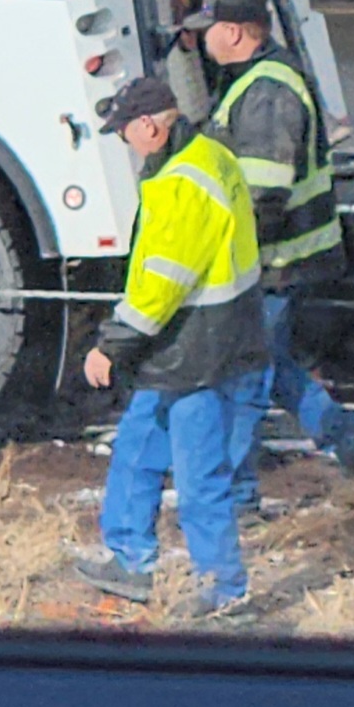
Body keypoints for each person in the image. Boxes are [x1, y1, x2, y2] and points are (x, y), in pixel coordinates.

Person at [187, 0, 354, 494]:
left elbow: (263, 194)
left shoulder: (267, 92)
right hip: (281, 262)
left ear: (234, 33)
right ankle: (352, 440)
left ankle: (235, 497)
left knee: (241, 379)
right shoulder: (255, 81)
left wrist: (232, 266)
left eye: (205, 29)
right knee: (267, 366)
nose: (197, 39)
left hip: (276, 264)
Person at [72, 72, 268, 617]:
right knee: (137, 446)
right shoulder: (209, 156)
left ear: (151, 126)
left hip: (196, 350)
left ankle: (227, 594)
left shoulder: (182, 183)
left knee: (198, 475)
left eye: (126, 132)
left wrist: (111, 345)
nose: (125, 143)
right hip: (199, 342)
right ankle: (131, 560)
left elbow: (162, 282)